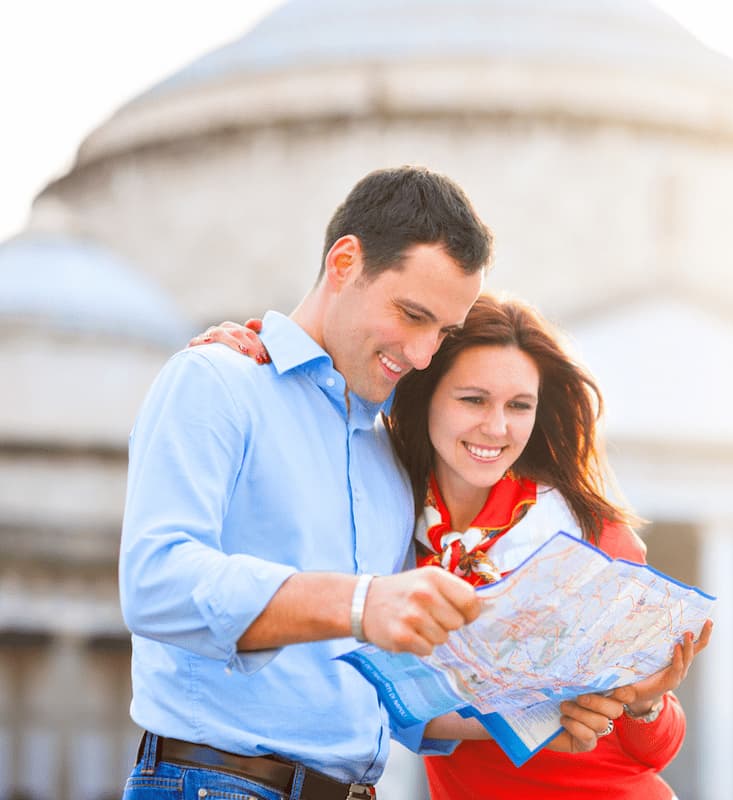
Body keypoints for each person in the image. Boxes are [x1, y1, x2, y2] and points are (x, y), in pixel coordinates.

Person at [119, 166, 618, 800]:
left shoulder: (389, 457)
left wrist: (543, 713)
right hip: (217, 784)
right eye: (411, 315)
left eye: (442, 332)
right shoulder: (218, 382)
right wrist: (361, 603)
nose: (421, 355)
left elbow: (392, 700)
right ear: (345, 262)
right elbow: (155, 582)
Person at [205, 293, 713, 799]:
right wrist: (256, 354)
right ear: (426, 393)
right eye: (473, 399)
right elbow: (388, 704)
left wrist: (645, 705)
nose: (496, 427)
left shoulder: (592, 535)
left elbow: (655, 751)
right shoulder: (385, 516)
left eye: (519, 406)